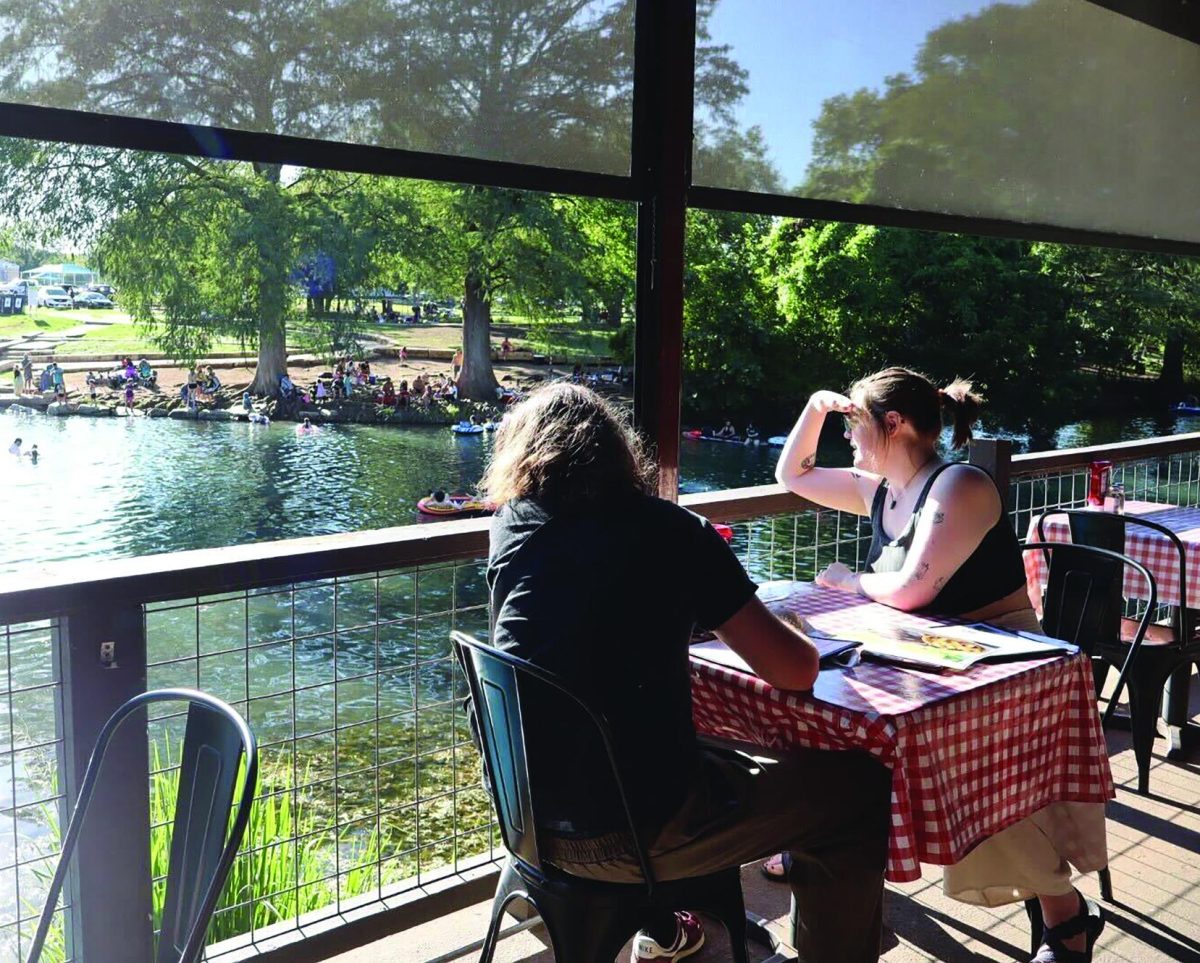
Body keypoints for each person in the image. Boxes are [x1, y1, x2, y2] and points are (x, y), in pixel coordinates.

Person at [479, 383, 891, 963]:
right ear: (622, 454)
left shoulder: (512, 528)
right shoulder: (673, 532)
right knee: (857, 788)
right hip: (635, 835)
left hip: (528, 819)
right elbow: (796, 671)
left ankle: (668, 924)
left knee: (673, 743)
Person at [774, 367, 1107, 962]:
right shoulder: (877, 490)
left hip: (1005, 660)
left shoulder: (959, 486)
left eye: (854, 424)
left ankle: (1067, 917)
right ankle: (848, 903)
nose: (849, 438)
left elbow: (910, 591)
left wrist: (851, 580)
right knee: (844, 747)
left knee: (982, 790)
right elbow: (789, 474)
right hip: (922, 655)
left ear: (893, 424)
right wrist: (815, 409)